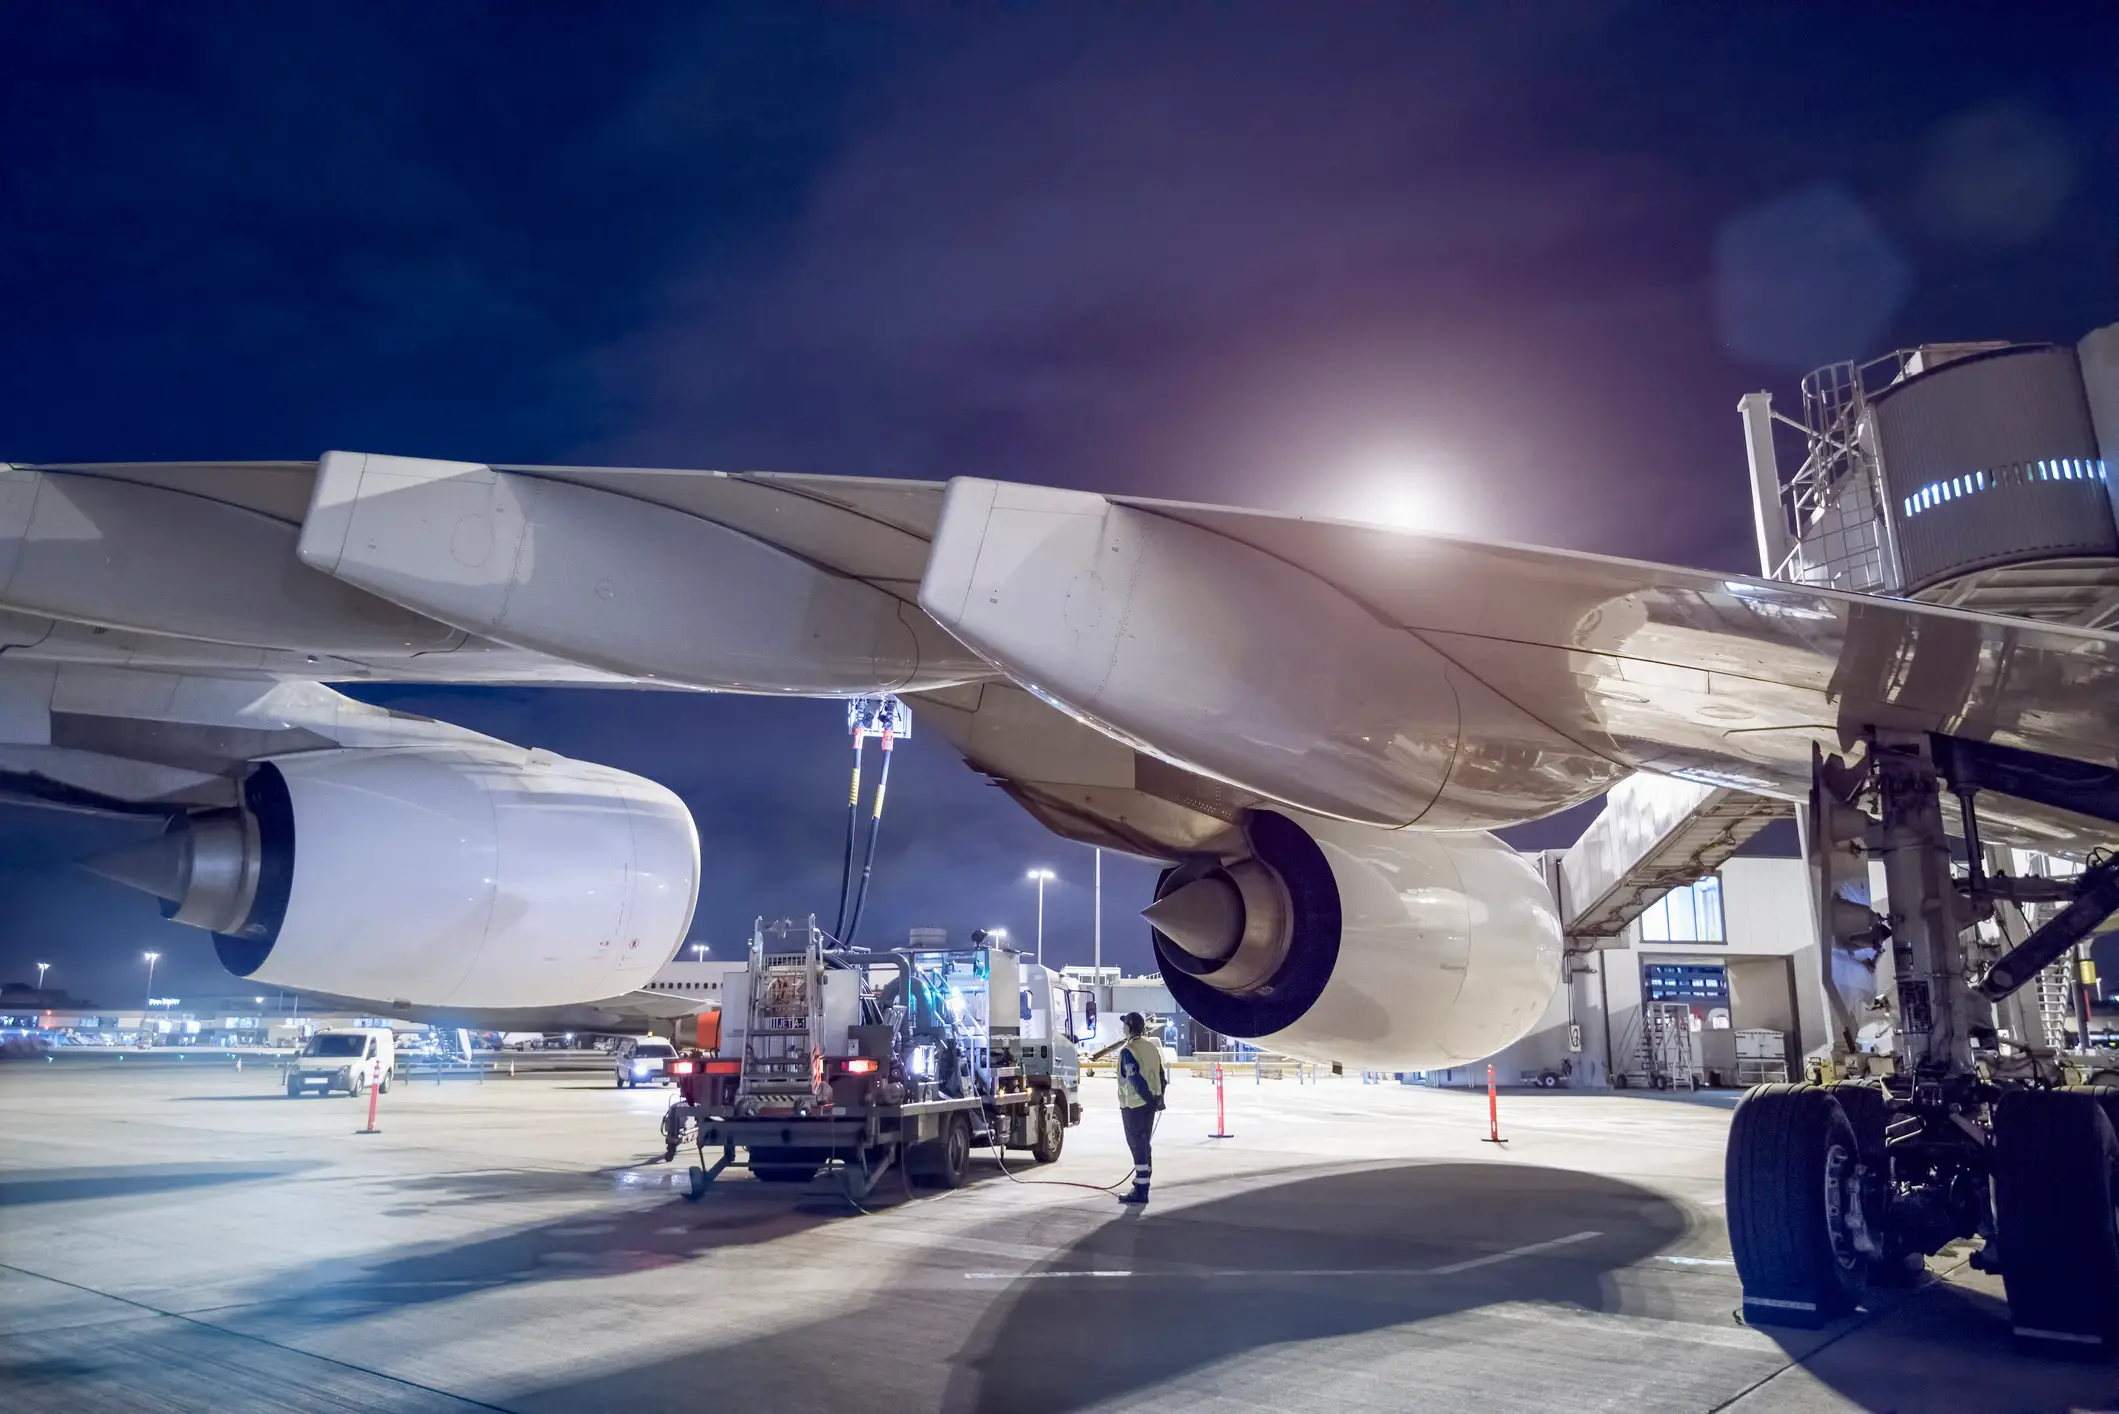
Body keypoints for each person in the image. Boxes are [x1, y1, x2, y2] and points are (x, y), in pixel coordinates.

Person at [1114, 1011, 1167, 1205]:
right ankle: (1142, 1182)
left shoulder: (1129, 1051)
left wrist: (1148, 1099)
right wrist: (1159, 1099)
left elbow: (1135, 1079)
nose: (1123, 1029)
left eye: (1124, 1025)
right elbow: (1162, 1075)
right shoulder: (1151, 1048)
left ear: (1128, 1027)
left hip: (1134, 1105)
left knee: (1137, 1144)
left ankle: (1141, 1191)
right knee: (1144, 1143)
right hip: (1150, 1105)